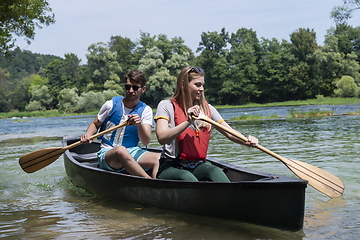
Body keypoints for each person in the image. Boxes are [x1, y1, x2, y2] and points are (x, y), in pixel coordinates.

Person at [154, 66, 258, 182]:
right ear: (183, 85)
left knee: (215, 171)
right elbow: (162, 137)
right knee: (187, 178)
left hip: (197, 165)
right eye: (197, 85)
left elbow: (230, 133)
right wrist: (188, 122)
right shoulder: (166, 106)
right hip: (171, 166)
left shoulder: (207, 109)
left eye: (203, 85)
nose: (202, 89)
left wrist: (247, 141)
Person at [80, 70, 160, 178]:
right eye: (128, 87)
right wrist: (88, 135)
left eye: (135, 88)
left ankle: (158, 186)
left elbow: (145, 141)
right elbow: (95, 124)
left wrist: (139, 124)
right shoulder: (110, 104)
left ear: (143, 89)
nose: (131, 91)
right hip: (108, 153)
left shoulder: (146, 110)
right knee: (121, 150)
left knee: (160, 158)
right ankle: (148, 181)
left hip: (133, 151)